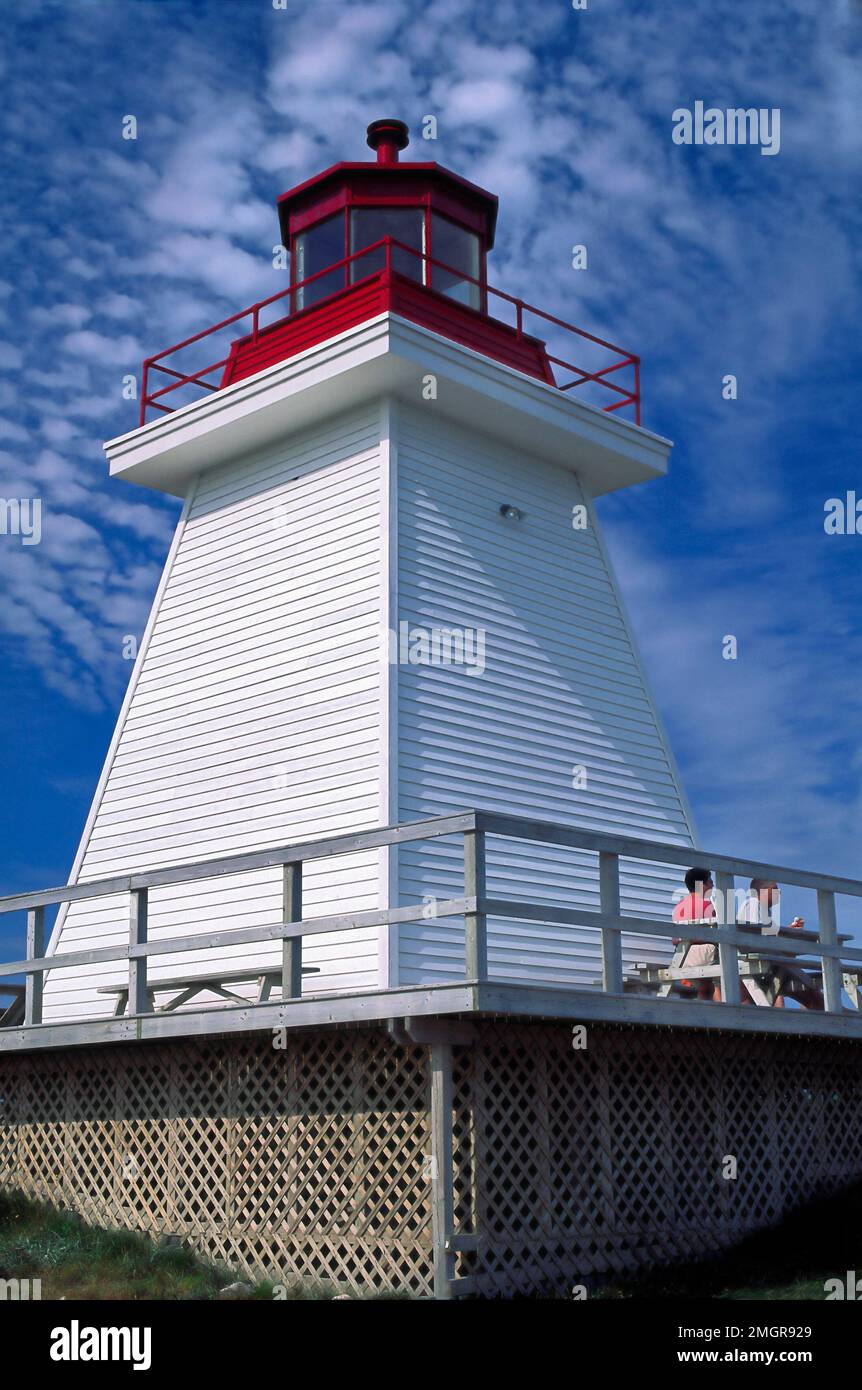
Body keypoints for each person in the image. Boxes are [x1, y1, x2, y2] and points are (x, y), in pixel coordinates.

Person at [737, 878, 823, 1009]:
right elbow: (758, 938)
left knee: (810, 993)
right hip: (760, 963)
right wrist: (786, 934)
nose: (779, 893)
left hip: (769, 962)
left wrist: (788, 930)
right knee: (810, 991)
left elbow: (765, 936)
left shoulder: (762, 909)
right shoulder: (753, 905)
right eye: (775, 889)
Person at [673, 867, 720, 1001]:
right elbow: (716, 934)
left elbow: (675, 939)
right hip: (703, 954)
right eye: (710, 882)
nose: (713, 885)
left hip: (682, 956)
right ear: (702, 885)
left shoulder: (679, 906)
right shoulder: (707, 906)